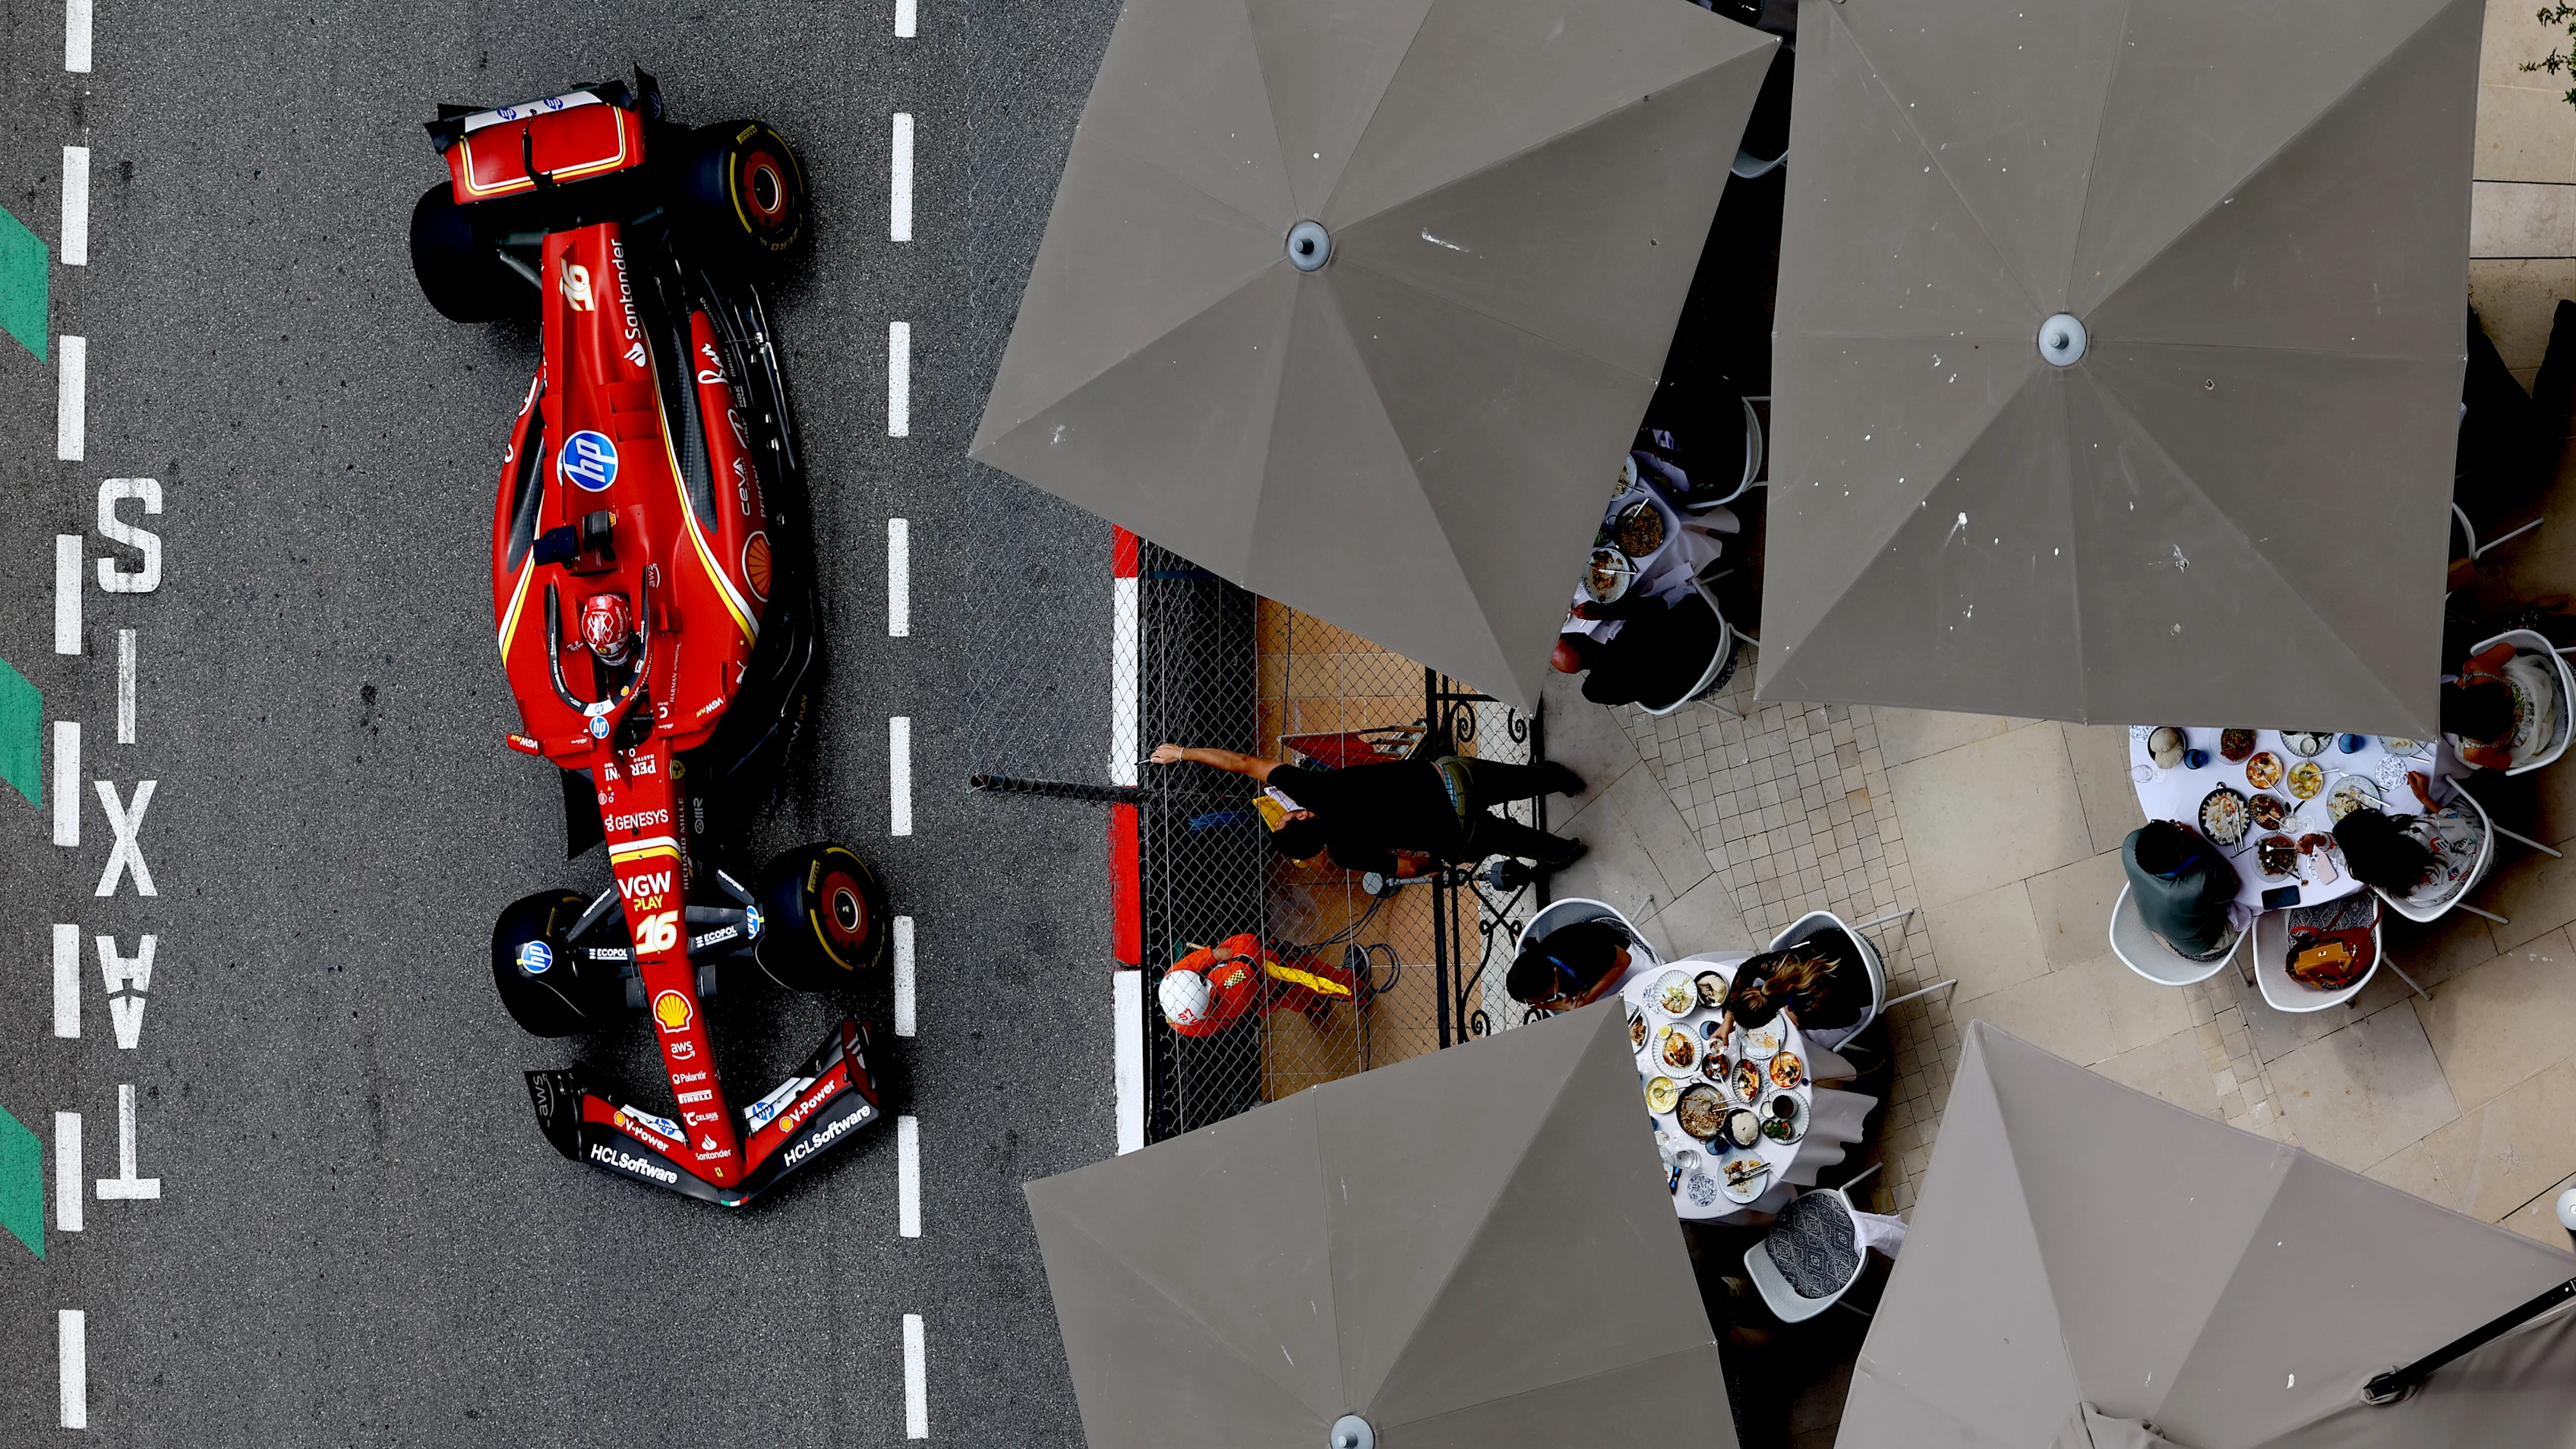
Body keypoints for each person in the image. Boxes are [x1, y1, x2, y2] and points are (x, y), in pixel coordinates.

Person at [1146, 743, 1587, 873]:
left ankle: (1562, 852)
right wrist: (1183, 753)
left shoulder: (1342, 854)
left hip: (1458, 834)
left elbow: (1408, 869)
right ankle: (1562, 780)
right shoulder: (1309, 788)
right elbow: (1244, 764)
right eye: (1284, 815)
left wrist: (1437, 862)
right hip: (1451, 779)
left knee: (1510, 841)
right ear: (1300, 815)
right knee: (1517, 780)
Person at [1551, 589, 1728, 709]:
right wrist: (1602, 612)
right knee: (1672, 594)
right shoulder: (1632, 638)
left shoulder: (1594, 691)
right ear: (1579, 635)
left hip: (1688, 691)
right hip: (1716, 647)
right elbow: (1657, 605)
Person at [1156, 933, 1356, 1037]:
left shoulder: (1183, 1023)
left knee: (1290, 999)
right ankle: (1356, 987)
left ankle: (1315, 1004)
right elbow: (1247, 944)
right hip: (1272, 973)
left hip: (1264, 1002)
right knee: (1312, 973)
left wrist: (1211, 956)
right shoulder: (1234, 981)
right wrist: (1218, 953)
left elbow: (1175, 975)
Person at [2333, 775, 2480, 910]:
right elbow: (2459, 825)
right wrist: (2424, 798)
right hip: (2482, 860)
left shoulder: (2376, 873)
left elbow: (2352, 860)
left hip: (2447, 899)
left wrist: (2322, 842)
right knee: (2449, 799)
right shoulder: (2421, 830)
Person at [2120, 819, 2243, 961]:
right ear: (2181, 856)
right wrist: (2199, 841)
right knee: (2251, 898)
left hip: (2162, 925)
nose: (2178, 825)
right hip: (2203, 947)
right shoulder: (2199, 884)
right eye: (2179, 831)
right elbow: (2233, 885)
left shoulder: (2130, 844)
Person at [1713, 944, 1874, 1046]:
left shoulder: (1811, 1008)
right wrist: (1729, 1016)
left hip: (1869, 974)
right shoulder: (1779, 966)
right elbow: (1747, 968)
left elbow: (1853, 1016)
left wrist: (1802, 1022)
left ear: (1773, 1016)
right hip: (1845, 941)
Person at [2445, 638, 2560, 771]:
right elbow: (2508, 649)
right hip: (2539, 686)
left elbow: (2505, 762)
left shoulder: (2473, 752)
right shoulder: (2476, 668)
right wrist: (2465, 679)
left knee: (2461, 756)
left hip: (2544, 732)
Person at [1504, 917, 1638, 1012]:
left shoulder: (1579, 949)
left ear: (1555, 973)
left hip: (1618, 959)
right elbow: (1535, 1004)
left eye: (1551, 996)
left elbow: (1625, 960)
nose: (1547, 1001)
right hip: (1586, 984)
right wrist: (1560, 1005)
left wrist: (1587, 1000)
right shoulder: (1523, 986)